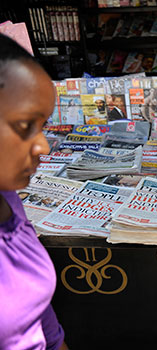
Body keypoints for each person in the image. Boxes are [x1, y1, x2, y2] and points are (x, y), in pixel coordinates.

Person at [0, 34, 68, 349]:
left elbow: (39, 318)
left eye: (43, 127)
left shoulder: (8, 197)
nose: (43, 146)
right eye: (26, 126)